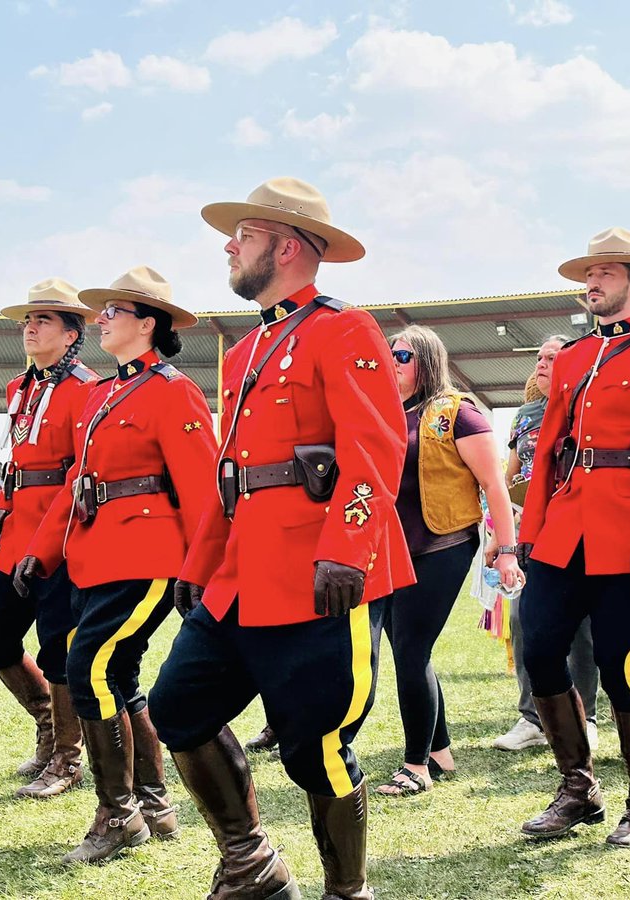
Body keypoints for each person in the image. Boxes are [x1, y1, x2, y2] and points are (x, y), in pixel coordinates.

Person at [148, 177, 413, 900]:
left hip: (315, 573)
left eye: (247, 235)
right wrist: (197, 565)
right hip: (238, 577)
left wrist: (346, 550)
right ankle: (250, 862)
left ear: (288, 247)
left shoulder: (343, 327)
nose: (230, 246)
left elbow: (377, 448)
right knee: (178, 708)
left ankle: (345, 891)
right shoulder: (248, 347)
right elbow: (231, 474)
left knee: (315, 744)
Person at [17, 265, 216, 864]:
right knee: (116, 675)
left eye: (113, 312)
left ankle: (118, 814)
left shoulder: (174, 390)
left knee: (89, 667)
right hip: (96, 555)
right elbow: (79, 482)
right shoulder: (104, 393)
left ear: (147, 324)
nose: (100, 319)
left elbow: (204, 489)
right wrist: (40, 550)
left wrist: (200, 569)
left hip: (152, 558)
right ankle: (153, 803)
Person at [516, 228, 630, 848]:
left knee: (620, 663)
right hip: (564, 531)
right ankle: (578, 787)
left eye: (605, 273)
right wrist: (531, 529)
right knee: (539, 650)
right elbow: (548, 452)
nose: (591, 283)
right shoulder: (570, 358)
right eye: (587, 273)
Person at [0, 279, 100, 799]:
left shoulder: (88, 388)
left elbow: (80, 470)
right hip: (16, 531)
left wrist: (50, 532)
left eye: (43, 320)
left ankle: (67, 759)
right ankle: (48, 725)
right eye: (27, 320)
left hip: (63, 536)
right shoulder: (17, 388)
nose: (30, 327)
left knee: (59, 648)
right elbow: (18, 463)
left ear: (71, 334)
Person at [371, 324, 520, 797]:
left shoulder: (458, 413)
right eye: (387, 354)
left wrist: (508, 548)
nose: (391, 362)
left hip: (443, 545)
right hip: (395, 549)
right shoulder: (387, 414)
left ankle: (415, 766)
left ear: (428, 362)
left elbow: (495, 485)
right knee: (409, 651)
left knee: (411, 653)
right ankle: (439, 751)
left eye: (401, 355)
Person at [493, 336, 602, 753]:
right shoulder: (523, 415)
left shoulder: (585, 409)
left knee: (583, 629)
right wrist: (501, 534)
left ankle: (585, 716)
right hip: (532, 534)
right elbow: (509, 477)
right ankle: (532, 717)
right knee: (523, 619)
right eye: (538, 357)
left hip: (581, 532)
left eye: (551, 358)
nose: (541, 364)